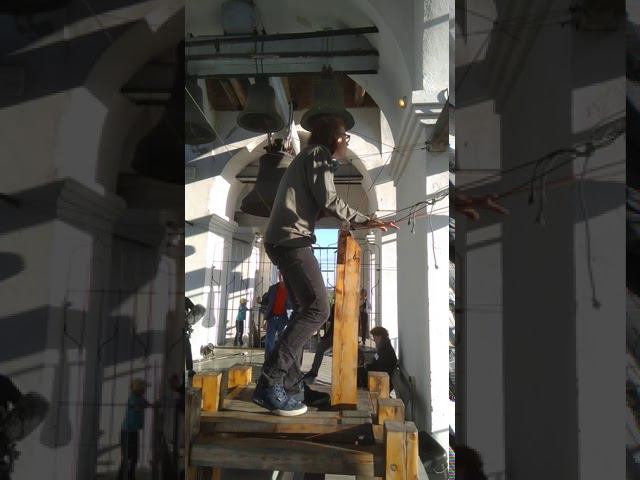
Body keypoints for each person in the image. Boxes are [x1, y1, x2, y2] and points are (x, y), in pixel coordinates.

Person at [253, 114, 395, 416]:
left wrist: (358, 220)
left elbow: (320, 204)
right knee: (318, 310)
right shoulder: (317, 154)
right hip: (291, 240)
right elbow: (329, 199)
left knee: (305, 310)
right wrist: (364, 220)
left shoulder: (308, 158)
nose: (346, 142)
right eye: (345, 137)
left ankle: (292, 387)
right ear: (335, 138)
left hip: (284, 240)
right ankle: (270, 382)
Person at [119, 378, 151, 480]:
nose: (145, 390)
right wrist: (141, 405)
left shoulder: (140, 398)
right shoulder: (133, 397)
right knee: (128, 457)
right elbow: (135, 406)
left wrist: (153, 404)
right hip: (127, 431)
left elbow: (147, 404)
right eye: (143, 388)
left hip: (133, 431)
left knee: (134, 457)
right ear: (138, 388)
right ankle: (123, 477)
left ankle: (130, 476)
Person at [301, 301, 335, 385]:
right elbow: (333, 322)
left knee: (321, 347)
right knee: (321, 347)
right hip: (335, 333)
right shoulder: (336, 304)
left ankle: (313, 373)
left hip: (343, 333)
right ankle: (313, 373)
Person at [263, 273, 293, 356]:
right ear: (279, 277)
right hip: (272, 317)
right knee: (269, 340)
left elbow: (292, 304)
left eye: (283, 275)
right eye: (280, 276)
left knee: (282, 340)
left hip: (283, 318)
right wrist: (260, 301)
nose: (281, 277)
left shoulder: (290, 290)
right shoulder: (272, 288)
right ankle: (268, 359)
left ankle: (279, 358)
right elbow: (266, 300)